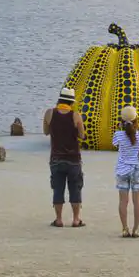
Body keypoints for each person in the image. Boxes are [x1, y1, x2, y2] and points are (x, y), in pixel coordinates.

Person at [43, 87, 85, 228]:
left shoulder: (50, 113)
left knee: (58, 189)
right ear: (71, 102)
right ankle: (76, 219)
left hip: (56, 158)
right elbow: (82, 135)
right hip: (73, 159)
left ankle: (59, 219)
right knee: (75, 188)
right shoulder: (75, 115)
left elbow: (45, 132)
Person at [112, 105, 139, 238]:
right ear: (136, 120)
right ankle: (136, 229)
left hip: (122, 170)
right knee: (137, 201)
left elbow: (115, 145)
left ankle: (124, 228)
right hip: (137, 169)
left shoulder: (118, 135)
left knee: (123, 201)